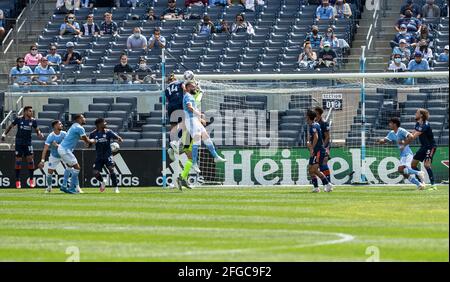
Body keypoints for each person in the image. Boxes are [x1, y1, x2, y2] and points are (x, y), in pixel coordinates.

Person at [183, 81, 226, 173]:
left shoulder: (191, 96)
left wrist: (200, 119)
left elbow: (193, 108)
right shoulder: (187, 96)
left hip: (195, 120)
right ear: (187, 88)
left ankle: (215, 156)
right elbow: (190, 107)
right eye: (192, 87)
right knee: (197, 140)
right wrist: (199, 114)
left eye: (194, 87)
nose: (194, 88)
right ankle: (194, 163)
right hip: (190, 121)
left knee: (206, 137)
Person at [377, 117, 426, 190]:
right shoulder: (392, 133)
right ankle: (419, 184)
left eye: (390, 123)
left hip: (408, 153)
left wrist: (404, 144)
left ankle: (418, 173)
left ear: (395, 124)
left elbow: (411, 137)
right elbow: (384, 140)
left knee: (403, 169)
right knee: (403, 172)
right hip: (403, 155)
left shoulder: (401, 130)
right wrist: (379, 141)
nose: (389, 124)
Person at [1, 106, 44, 189]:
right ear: (25, 112)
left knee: (30, 161)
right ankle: (17, 181)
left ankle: (31, 179)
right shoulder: (18, 119)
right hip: (19, 143)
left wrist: (39, 133)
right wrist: (4, 134)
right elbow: (10, 126)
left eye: (31, 111)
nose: (31, 113)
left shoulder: (33, 120)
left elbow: (37, 129)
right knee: (18, 161)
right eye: (29, 111)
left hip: (28, 143)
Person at [57, 114, 95, 194]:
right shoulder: (79, 128)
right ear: (78, 119)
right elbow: (86, 140)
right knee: (77, 167)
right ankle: (71, 188)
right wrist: (93, 141)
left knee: (69, 166)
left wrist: (87, 140)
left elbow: (80, 138)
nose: (84, 119)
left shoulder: (74, 126)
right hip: (65, 149)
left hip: (62, 148)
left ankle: (64, 186)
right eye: (83, 117)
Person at [402, 109, 438, 190]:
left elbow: (414, 136)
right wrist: (406, 135)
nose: (415, 114)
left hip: (430, 146)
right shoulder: (418, 123)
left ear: (421, 115)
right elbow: (412, 133)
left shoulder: (425, 125)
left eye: (417, 113)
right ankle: (421, 183)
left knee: (426, 165)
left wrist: (403, 139)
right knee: (413, 164)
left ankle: (433, 185)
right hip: (423, 147)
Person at [89, 118, 123, 194]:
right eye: (104, 122)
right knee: (95, 172)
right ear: (99, 124)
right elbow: (89, 145)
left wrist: (119, 139)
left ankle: (116, 188)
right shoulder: (93, 134)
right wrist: (88, 144)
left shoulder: (108, 132)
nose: (106, 123)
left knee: (111, 169)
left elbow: (118, 138)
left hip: (108, 155)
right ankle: (103, 181)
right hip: (99, 156)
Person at [306, 109, 333, 193]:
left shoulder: (314, 126)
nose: (305, 117)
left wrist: (312, 148)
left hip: (318, 151)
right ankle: (316, 188)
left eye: (306, 116)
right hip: (317, 151)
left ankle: (327, 184)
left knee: (314, 169)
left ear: (308, 117)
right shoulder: (315, 124)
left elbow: (316, 137)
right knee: (310, 169)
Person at [38, 120, 67, 193]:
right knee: (49, 173)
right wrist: (42, 160)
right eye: (60, 124)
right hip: (54, 156)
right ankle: (49, 187)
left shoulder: (64, 134)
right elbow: (45, 149)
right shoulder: (51, 136)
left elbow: (68, 145)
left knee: (72, 170)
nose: (62, 125)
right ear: (55, 126)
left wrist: (57, 145)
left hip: (64, 155)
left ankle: (76, 186)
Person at [314, 107, 332, 184]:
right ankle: (324, 183)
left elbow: (327, 137)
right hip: (316, 147)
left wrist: (324, 147)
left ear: (319, 114)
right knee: (316, 165)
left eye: (315, 113)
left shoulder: (324, 123)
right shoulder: (314, 123)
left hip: (324, 146)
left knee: (324, 162)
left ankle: (328, 182)